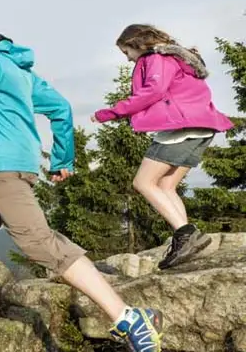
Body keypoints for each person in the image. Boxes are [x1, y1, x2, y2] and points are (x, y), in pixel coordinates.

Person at [0, 17, 164, 352]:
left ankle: (128, 318)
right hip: (5, 169)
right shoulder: (18, 69)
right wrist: (62, 158)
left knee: (39, 243)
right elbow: (60, 108)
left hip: (1, 168)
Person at [93, 24, 234, 269]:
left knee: (143, 183)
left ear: (137, 43)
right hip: (202, 125)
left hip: (182, 126)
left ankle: (186, 234)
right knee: (166, 185)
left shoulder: (155, 58)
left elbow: (154, 90)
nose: (127, 58)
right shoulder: (177, 58)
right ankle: (188, 243)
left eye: (126, 52)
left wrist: (110, 113)